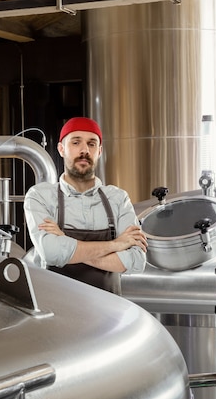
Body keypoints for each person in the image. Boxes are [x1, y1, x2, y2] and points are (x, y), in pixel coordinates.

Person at [24, 117, 147, 295]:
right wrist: (115, 244)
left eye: (91, 144)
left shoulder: (118, 198)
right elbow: (52, 253)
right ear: (61, 149)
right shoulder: (40, 196)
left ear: (99, 151)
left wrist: (67, 245)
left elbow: (135, 262)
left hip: (108, 314)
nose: (84, 150)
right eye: (76, 143)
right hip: (55, 313)